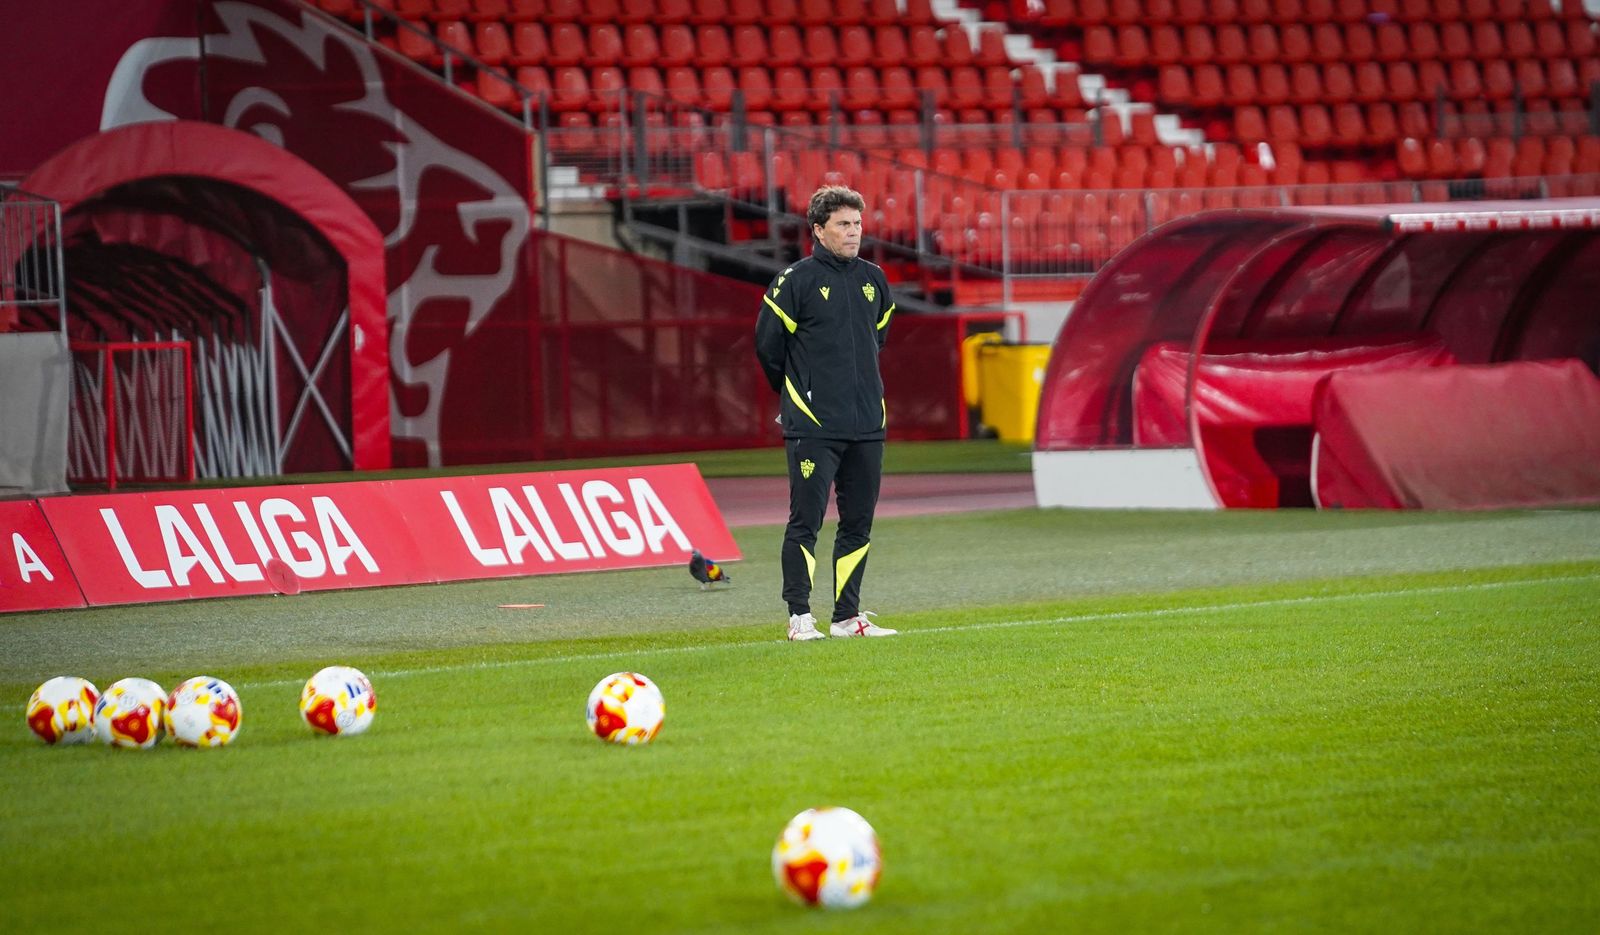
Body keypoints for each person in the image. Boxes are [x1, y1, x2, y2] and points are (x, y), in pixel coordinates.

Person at [754, 185, 899, 641]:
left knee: (858, 524)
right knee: (806, 522)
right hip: (813, 426)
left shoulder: (874, 279)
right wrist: (797, 396)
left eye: (857, 223)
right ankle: (799, 617)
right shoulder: (793, 281)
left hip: (867, 424)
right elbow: (768, 348)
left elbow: (877, 338)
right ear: (818, 230)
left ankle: (846, 617)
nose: (853, 232)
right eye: (843, 224)